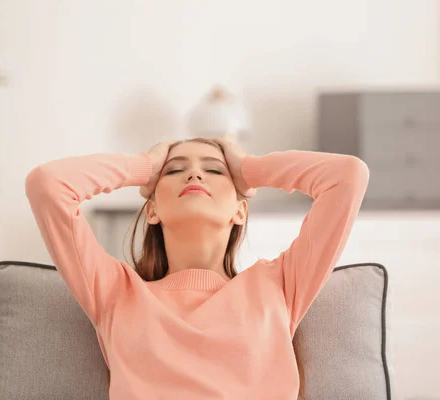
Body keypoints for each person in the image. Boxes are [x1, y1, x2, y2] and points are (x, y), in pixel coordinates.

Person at [25, 137, 369, 399]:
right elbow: (48, 184)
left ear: (240, 212)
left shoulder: (279, 285)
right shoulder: (116, 291)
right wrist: (143, 166)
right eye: (174, 169)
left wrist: (251, 169)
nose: (194, 173)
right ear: (152, 210)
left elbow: (348, 176)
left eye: (215, 170)